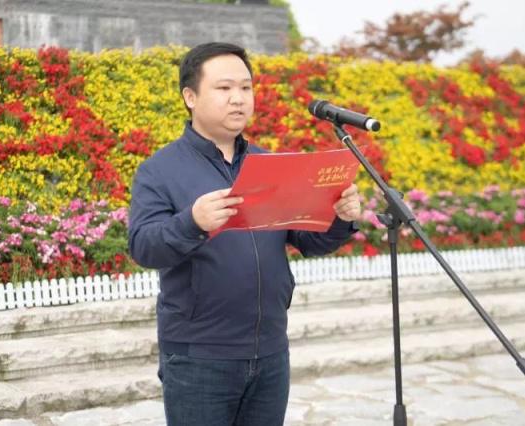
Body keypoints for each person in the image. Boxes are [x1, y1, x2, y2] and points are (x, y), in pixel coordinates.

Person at [128, 42, 361, 426]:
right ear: (190, 97)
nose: (238, 98)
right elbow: (143, 247)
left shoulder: (268, 163)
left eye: (245, 88)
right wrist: (192, 222)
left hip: (270, 351)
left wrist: (338, 219)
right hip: (199, 356)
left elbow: (308, 241)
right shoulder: (160, 170)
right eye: (224, 88)